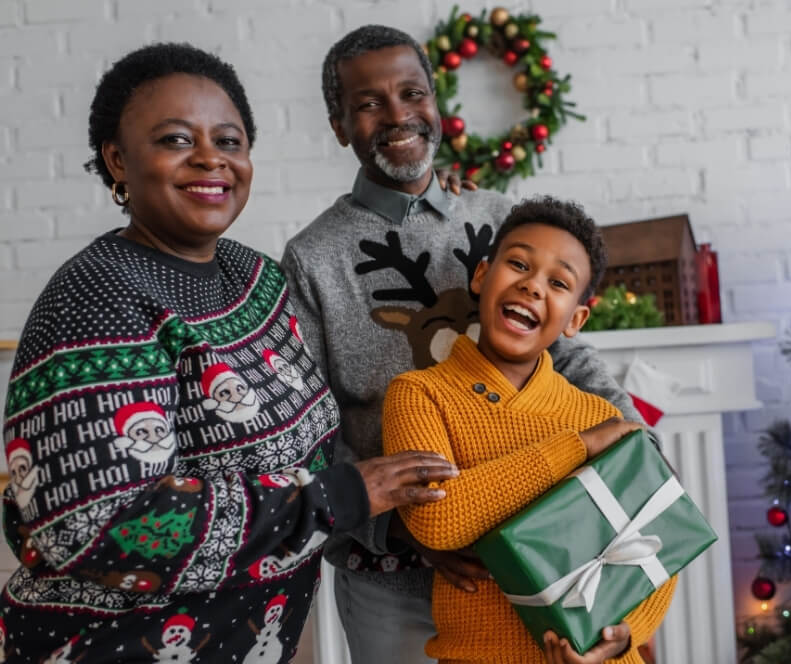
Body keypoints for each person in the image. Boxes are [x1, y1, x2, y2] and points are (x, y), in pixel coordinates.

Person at [0, 42, 458, 662]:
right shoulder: (97, 297)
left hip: (249, 639)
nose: (211, 159)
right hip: (112, 647)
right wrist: (335, 497)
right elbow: (91, 523)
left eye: (230, 140)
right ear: (117, 161)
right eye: (175, 140)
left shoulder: (257, 278)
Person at [281, 24, 647, 664]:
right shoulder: (312, 258)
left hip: (530, 546)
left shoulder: (496, 217)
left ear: (437, 105)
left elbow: (565, 355)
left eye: (412, 93)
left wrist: (633, 443)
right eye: (368, 103)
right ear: (339, 125)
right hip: (391, 570)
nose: (398, 115)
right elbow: (308, 430)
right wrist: (403, 526)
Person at [382, 196, 676, 664]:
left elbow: (660, 542)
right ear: (482, 276)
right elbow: (437, 518)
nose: (533, 286)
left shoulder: (596, 413)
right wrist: (575, 449)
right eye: (518, 263)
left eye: (558, 282)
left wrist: (625, 635)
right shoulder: (419, 394)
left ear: (576, 318)